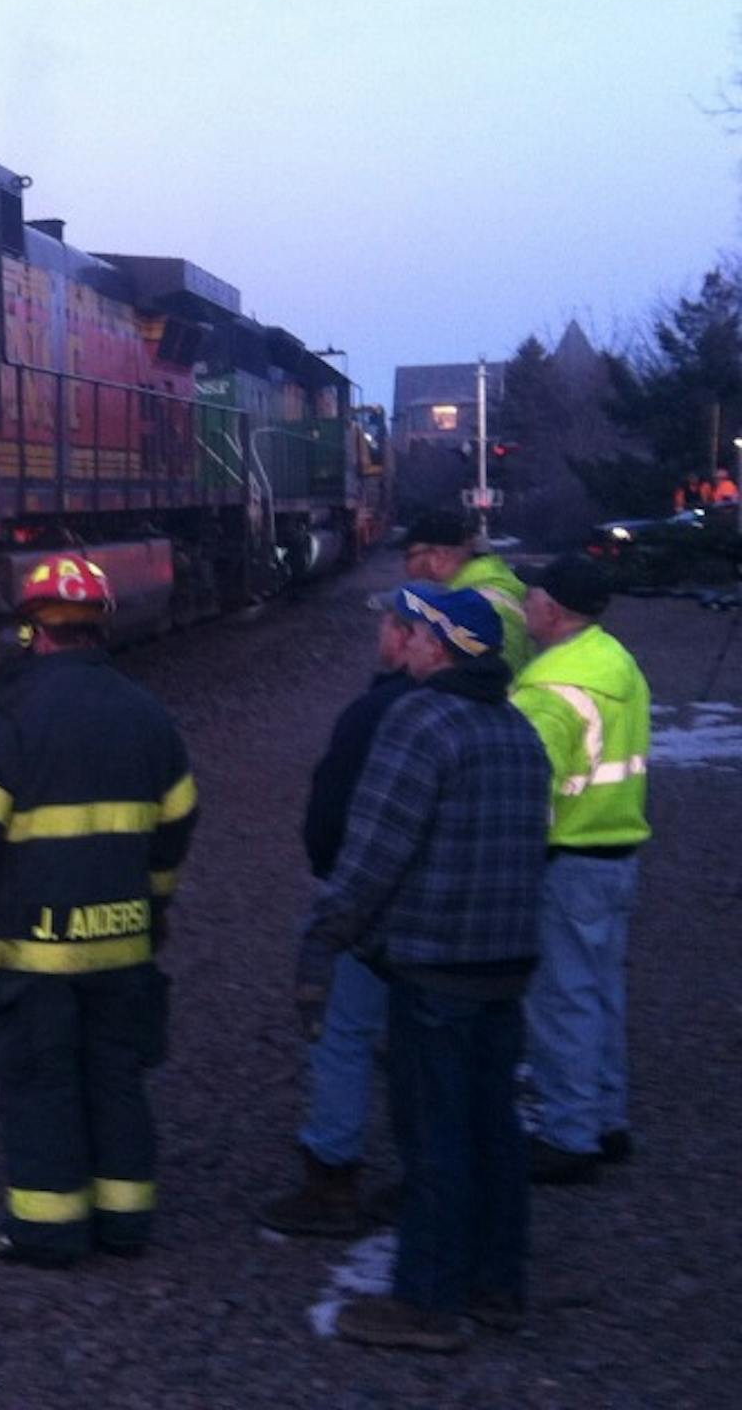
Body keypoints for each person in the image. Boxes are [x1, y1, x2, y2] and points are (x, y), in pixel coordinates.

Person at [0, 556, 196, 1267]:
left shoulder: (10, 717)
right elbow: (176, 820)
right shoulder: (148, 714)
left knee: (39, 1081)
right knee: (115, 1077)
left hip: (32, 948)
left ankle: (47, 1227)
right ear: (98, 627)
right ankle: (125, 1220)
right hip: (123, 945)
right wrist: (154, 905)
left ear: (33, 632)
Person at [294, 583, 550, 1352]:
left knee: (431, 1132)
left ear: (436, 647)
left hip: (435, 965)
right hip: (505, 964)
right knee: (493, 1127)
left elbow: (375, 856)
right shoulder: (516, 732)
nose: (396, 640)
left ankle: (428, 1300)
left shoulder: (418, 722)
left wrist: (323, 940)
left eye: (409, 632)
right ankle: (497, 1284)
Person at [256, 594, 420, 1236]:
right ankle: (425, 1172)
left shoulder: (375, 712)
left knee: (344, 1033)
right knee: (420, 1038)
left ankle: (332, 1177)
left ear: (410, 638)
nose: (378, 632)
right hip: (439, 913)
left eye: (388, 624)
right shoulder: (484, 709)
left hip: (366, 903)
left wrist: (331, 880)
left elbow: (329, 815)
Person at [512, 554, 651, 1184]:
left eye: (530, 596)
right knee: (600, 994)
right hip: (616, 847)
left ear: (554, 608)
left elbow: (526, 792)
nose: (523, 607)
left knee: (561, 1001)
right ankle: (606, 1118)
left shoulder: (550, 687)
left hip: (567, 859)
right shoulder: (615, 661)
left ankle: (570, 1137)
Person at [401, 509, 533, 674]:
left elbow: (495, 680)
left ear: (439, 556)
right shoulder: (473, 594)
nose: (406, 567)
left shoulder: (486, 605)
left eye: (409, 556)